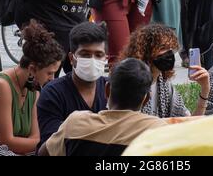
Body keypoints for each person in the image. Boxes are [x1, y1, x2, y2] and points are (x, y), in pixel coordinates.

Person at [38, 58, 167, 156]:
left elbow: (44, 153)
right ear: (146, 99)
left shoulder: (75, 124)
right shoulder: (158, 131)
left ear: (107, 90)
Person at [0, 20, 64, 155]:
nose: (52, 79)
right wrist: (50, 143)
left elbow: (36, 137)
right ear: (32, 69)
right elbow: (5, 142)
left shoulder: (34, 90)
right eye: (49, 73)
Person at [37, 21, 108, 147]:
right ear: (71, 58)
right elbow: (50, 146)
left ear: (105, 58)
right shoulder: (53, 93)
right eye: (85, 55)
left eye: (98, 55)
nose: (92, 60)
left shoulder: (112, 89)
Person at [120, 24, 210, 117]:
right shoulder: (132, 86)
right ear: (146, 52)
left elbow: (189, 124)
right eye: (163, 48)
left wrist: (205, 89)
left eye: (171, 48)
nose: (169, 54)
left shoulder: (164, 85)